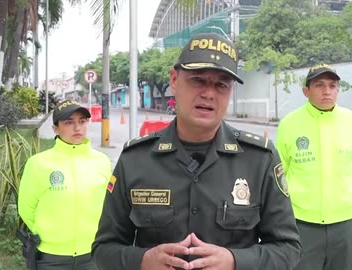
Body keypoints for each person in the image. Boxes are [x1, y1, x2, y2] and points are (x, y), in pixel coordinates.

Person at [92, 32, 301, 270]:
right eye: (198, 80)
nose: (209, 93)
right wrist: (142, 261)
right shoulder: (135, 160)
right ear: (173, 79)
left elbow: (288, 249)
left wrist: (235, 262)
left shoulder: (259, 159)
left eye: (221, 84)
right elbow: (103, 249)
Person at [275, 63, 352, 270]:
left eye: (332, 86)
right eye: (319, 85)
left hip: (345, 225)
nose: (327, 91)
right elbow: (280, 175)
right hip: (302, 225)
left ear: (338, 90)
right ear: (306, 91)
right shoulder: (289, 124)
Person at [18, 100, 111, 270]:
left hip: (92, 255)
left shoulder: (102, 161)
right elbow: (26, 209)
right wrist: (52, 234)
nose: (77, 128)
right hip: (50, 258)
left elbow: (109, 205)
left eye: (82, 121)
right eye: (69, 122)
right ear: (55, 128)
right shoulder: (38, 164)